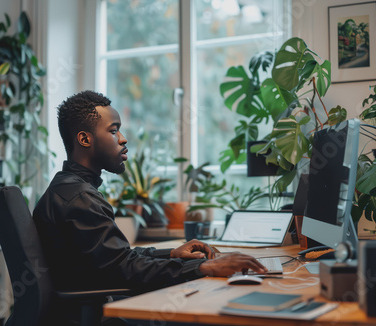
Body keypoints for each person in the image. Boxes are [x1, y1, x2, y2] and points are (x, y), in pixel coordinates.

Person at [33, 90, 267, 294]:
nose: (123, 139)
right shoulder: (79, 197)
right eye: (114, 131)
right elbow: (123, 268)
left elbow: (117, 258)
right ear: (85, 139)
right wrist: (204, 266)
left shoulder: (69, 188)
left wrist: (172, 254)